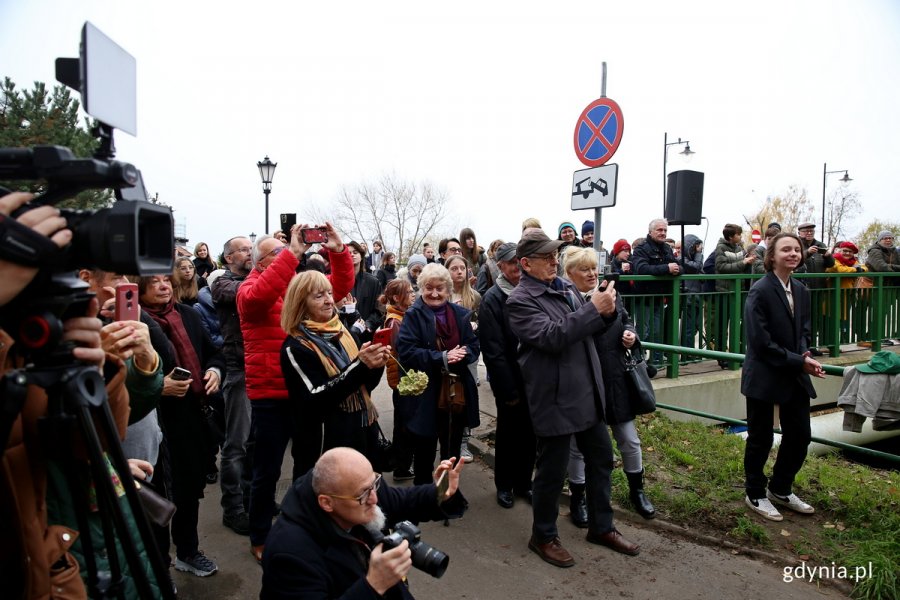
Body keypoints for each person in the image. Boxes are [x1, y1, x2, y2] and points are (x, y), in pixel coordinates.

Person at [507, 228, 639, 569]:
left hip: (586, 390)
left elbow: (585, 328)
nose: (554, 260)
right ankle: (543, 535)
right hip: (554, 397)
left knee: (602, 459)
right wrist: (593, 309)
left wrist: (607, 312)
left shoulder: (564, 287)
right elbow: (552, 337)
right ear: (525, 264)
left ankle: (602, 526)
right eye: (546, 256)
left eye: (555, 254)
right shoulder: (520, 300)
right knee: (552, 471)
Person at [237, 222, 354, 562]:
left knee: (307, 466)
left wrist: (337, 250)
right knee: (267, 470)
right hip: (270, 394)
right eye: (278, 251)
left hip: (304, 392)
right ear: (261, 262)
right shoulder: (250, 288)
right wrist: (292, 254)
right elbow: (260, 297)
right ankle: (260, 535)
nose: (289, 254)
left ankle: (304, 527)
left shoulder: (292, 284)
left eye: (287, 251)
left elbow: (338, 287)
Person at [260, 447, 466, 599]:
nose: (375, 499)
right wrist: (374, 585)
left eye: (374, 485)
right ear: (327, 503)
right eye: (364, 494)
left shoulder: (356, 488)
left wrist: (441, 491)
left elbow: (402, 500)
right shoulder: (289, 554)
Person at [138, 273, 224, 577]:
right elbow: (118, 379)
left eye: (166, 279)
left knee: (189, 490)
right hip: (153, 420)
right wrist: (159, 387)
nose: (163, 286)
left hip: (192, 418)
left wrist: (214, 370)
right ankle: (159, 565)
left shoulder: (186, 313)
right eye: (154, 281)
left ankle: (188, 551)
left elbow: (214, 352)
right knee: (156, 495)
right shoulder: (132, 325)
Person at [562, 247, 656, 520]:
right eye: (584, 269)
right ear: (570, 274)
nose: (592, 273)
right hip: (585, 381)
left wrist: (630, 334)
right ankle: (578, 498)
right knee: (577, 446)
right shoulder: (566, 300)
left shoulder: (610, 292)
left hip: (615, 377)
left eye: (594, 268)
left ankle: (637, 490)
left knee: (629, 439)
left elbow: (627, 321)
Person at [742, 232, 826, 522]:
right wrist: (798, 362)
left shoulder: (801, 289)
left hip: (793, 372)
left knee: (800, 435)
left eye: (797, 250)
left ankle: (781, 487)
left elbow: (803, 330)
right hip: (765, 373)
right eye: (786, 249)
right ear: (772, 256)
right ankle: (755, 492)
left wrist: (805, 355)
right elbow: (760, 341)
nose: (793, 254)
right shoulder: (760, 290)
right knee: (760, 438)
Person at [281, 270, 390, 475]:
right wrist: (360, 366)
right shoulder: (295, 347)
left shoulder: (343, 332)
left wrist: (376, 364)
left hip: (362, 431)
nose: (329, 301)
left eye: (329, 293)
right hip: (325, 443)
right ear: (300, 303)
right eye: (319, 296)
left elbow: (364, 386)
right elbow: (315, 399)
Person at [398, 263, 481, 486]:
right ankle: (423, 495)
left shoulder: (461, 314)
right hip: (426, 393)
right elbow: (406, 352)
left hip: (455, 393)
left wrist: (465, 353)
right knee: (425, 446)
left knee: (452, 447)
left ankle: (447, 491)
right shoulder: (413, 316)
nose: (434, 293)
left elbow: (474, 345)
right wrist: (442, 357)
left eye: (440, 288)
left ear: (448, 289)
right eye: (428, 288)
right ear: (421, 288)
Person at [479, 242, 536, 509]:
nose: (517, 268)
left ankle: (524, 483)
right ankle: (504, 485)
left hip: (533, 380)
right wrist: (508, 390)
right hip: (510, 380)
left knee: (530, 435)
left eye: (520, 262)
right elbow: (493, 351)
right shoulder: (493, 298)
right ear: (500, 266)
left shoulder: (530, 290)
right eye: (512, 263)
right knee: (508, 435)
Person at [211, 236, 254, 536]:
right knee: (235, 445)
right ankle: (233, 508)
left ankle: (252, 499)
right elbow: (251, 294)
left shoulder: (254, 281)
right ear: (228, 258)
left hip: (261, 370)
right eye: (242, 250)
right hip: (239, 371)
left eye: (251, 249)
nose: (248, 253)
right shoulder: (223, 285)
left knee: (255, 443)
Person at [380, 279, 418, 481]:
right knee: (403, 426)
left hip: (403, 380)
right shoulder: (394, 321)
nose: (413, 294)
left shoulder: (401, 316)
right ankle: (401, 467)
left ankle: (402, 464)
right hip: (403, 381)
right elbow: (402, 352)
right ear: (396, 298)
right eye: (409, 291)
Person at [445, 254, 482, 462]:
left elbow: (482, 322)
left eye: (462, 268)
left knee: (466, 394)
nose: (459, 272)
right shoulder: (441, 294)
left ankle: (464, 442)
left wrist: (475, 327)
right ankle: (448, 436)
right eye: (454, 268)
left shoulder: (474, 297)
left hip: (468, 353)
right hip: (446, 353)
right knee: (448, 394)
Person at [631, 218, 680, 365]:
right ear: (650, 231)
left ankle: (656, 361)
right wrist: (666, 269)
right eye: (659, 230)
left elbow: (679, 266)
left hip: (659, 297)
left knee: (658, 332)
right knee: (643, 331)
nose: (663, 233)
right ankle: (638, 362)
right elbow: (641, 269)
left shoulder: (666, 248)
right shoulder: (641, 249)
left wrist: (676, 269)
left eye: (665, 230)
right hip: (644, 297)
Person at [714, 224, 754, 364]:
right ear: (731, 236)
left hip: (739, 292)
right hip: (725, 293)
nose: (741, 236)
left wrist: (748, 262)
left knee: (739, 325)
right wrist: (743, 262)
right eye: (738, 234)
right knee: (722, 326)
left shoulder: (739, 248)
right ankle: (722, 357)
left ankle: (739, 355)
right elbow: (721, 267)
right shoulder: (720, 248)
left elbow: (741, 267)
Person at [347, 240, 385, 338]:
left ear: (361, 256)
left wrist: (368, 324)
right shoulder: (338, 281)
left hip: (365, 335)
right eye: (348, 253)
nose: (352, 255)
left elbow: (380, 309)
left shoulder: (373, 282)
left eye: (355, 252)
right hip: (343, 335)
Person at [680, 234, 704, 349]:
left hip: (696, 296)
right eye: (696, 246)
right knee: (688, 327)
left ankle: (690, 352)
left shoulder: (693, 259)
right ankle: (687, 352)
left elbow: (701, 271)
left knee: (694, 326)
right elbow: (695, 267)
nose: (698, 249)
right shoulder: (681, 259)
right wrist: (699, 254)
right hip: (689, 296)